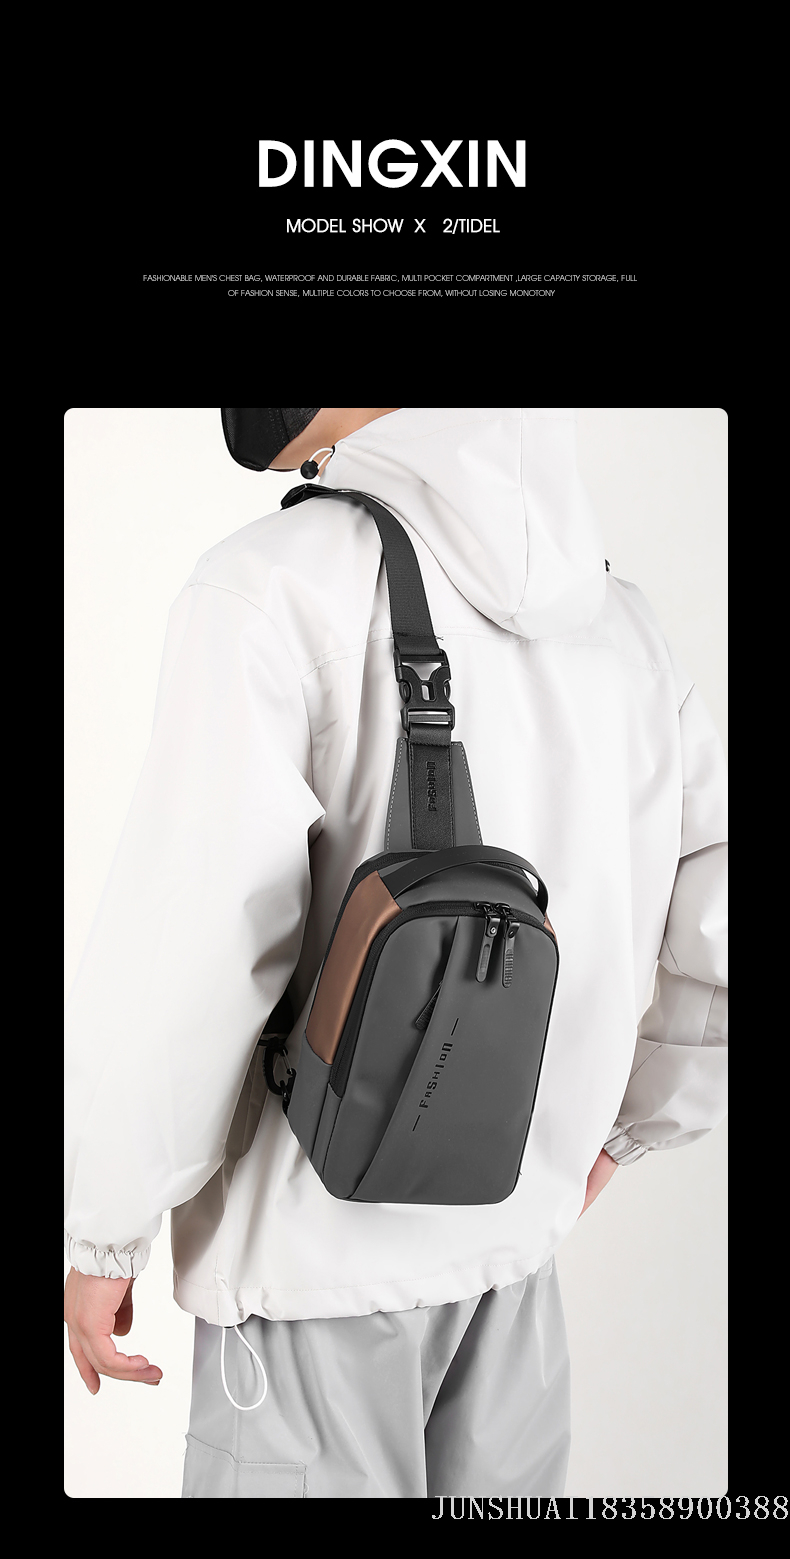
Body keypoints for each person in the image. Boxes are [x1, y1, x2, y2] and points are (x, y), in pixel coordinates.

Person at [64, 408, 727, 1499]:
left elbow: (185, 950)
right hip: (517, 1276)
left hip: (307, 1282)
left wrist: (103, 1234)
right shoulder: (623, 627)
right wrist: (628, 1127)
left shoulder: (271, 586)